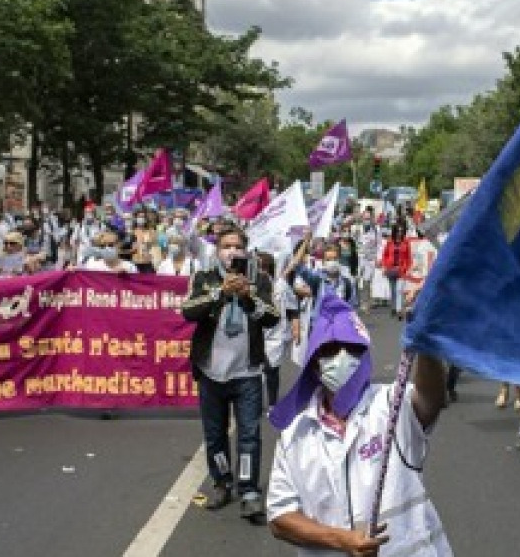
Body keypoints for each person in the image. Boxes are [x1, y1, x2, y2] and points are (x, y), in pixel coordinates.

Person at [267, 290, 451, 555]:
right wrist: (342, 540)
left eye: (351, 348)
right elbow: (280, 518)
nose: (342, 357)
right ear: (315, 363)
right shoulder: (295, 435)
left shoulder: (392, 404)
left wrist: (425, 340)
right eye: (330, 350)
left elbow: (431, 397)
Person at [180, 228, 279, 518]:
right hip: (212, 373)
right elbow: (188, 311)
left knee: (249, 434)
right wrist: (220, 293)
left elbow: (272, 317)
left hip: (246, 372)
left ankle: (249, 490)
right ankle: (222, 481)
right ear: (217, 250)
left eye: (237, 247)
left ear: (246, 251)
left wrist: (248, 297)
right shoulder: (204, 277)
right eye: (226, 246)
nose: (231, 252)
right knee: (215, 435)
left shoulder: (259, 279)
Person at [258, 252, 299, 409]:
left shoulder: (280, 285)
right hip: (256, 334)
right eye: (259, 267)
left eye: (264, 267)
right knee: (255, 371)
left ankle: (272, 403)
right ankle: (253, 402)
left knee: (271, 369)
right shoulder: (249, 284)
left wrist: (295, 326)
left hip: (275, 335)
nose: (261, 270)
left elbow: (292, 307)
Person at [380, 224, 412, 320]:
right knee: (393, 290)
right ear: (394, 231)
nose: (400, 233)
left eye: (401, 231)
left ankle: (399, 310)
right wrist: (385, 265)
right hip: (390, 269)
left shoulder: (406, 242)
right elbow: (385, 254)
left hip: (401, 269)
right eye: (398, 231)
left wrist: (406, 267)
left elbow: (408, 257)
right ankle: (393, 308)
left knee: (399, 290)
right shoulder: (390, 242)